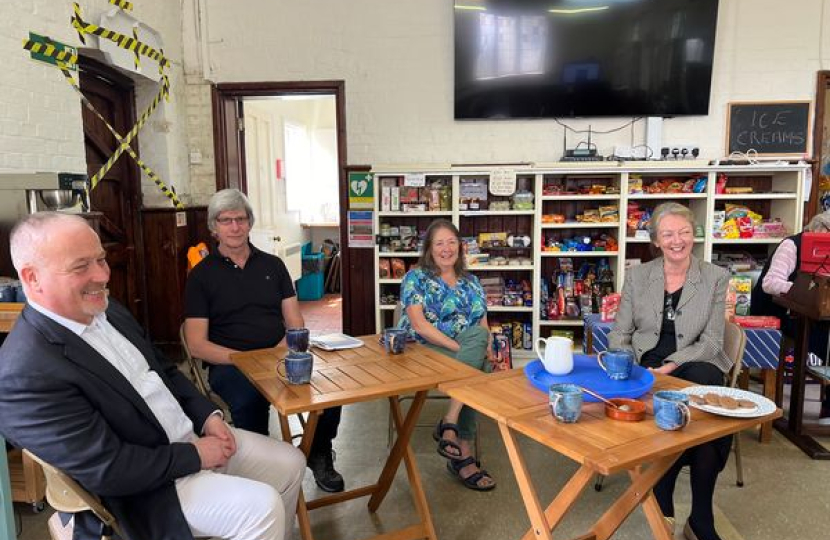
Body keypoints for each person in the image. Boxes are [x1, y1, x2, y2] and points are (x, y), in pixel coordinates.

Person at [0, 212, 305, 540]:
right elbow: (109, 469)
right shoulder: (24, 373)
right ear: (32, 278)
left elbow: (166, 371)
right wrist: (195, 455)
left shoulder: (107, 309)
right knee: (262, 508)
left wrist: (208, 417)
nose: (103, 275)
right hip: (147, 492)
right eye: (81, 266)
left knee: (290, 462)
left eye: (101, 259)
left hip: (188, 441)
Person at [184, 189, 344, 492]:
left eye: (241, 219)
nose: (234, 227)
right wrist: (243, 359)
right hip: (230, 364)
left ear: (249, 223)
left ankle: (319, 451)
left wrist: (280, 351)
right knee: (248, 400)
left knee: (330, 387)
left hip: (279, 353)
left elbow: (295, 320)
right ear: (213, 227)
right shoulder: (201, 276)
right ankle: (258, 466)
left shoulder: (273, 265)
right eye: (226, 220)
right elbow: (196, 344)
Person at [608, 202, 732, 540]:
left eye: (684, 232)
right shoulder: (638, 276)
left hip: (693, 359)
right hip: (645, 359)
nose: (677, 240)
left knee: (704, 390)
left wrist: (672, 365)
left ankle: (674, 500)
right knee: (701, 415)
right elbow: (620, 333)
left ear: (695, 235)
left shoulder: (715, 277)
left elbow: (713, 341)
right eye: (668, 234)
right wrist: (627, 366)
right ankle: (698, 520)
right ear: (656, 241)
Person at [396, 219, 496, 491]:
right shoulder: (416, 277)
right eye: (439, 243)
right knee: (478, 368)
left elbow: (482, 323)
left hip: (464, 347)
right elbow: (419, 325)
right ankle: (463, 454)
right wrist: (466, 351)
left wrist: (487, 349)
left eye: (452, 242)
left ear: (460, 247)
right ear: (429, 248)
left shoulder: (472, 281)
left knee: (480, 351)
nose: (446, 248)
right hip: (422, 349)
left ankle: (450, 424)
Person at [751, 212, 830, 424]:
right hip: (778, 311)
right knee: (825, 336)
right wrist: (806, 290)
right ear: (817, 230)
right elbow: (771, 283)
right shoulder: (792, 245)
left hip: (811, 312)